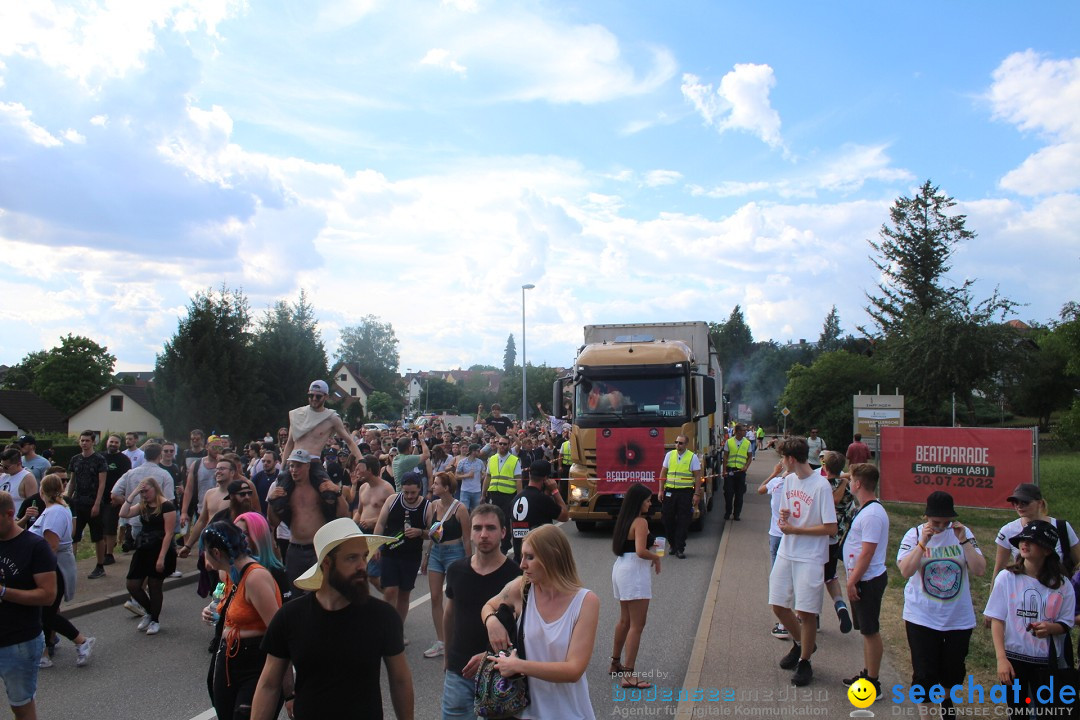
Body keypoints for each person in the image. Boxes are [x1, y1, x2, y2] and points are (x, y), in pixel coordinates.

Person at [250, 518, 412, 720]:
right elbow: (269, 685)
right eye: (352, 558)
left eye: (364, 556)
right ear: (326, 563)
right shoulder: (290, 617)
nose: (362, 566)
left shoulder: (383, 617)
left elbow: (400, 681)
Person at [482, 524, 599, 720]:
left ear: (552, 556)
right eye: (522, 556)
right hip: (525, 713)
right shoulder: (522, 588)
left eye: (530, 557)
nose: (522, 565)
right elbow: (488, 605)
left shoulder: (586, 602)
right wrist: (491, 622)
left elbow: (574, 670)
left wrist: (518, 666)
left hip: (569, 713)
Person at [895, 491, 985, 716]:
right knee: (924, 672)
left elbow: (979, 569)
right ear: (926, 517)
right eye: (936, 522)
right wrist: (922, 544)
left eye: (947, 522)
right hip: (922, 615)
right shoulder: (913, 534)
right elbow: (906, 570)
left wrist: (964, 540)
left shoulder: (962, 534)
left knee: (953, 670)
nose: (941, 527)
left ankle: (946, 702)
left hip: (957, 617)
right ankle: (927, 713)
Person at [985, 520, 1075, 716]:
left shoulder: (1062, 585)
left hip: (1047, 663)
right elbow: (997, 620)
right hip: (1014, 661)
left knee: (1047, 713)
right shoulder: (1006, 578)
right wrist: (1001, 659)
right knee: (1018, 712)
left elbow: (1067, 622)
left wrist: (1051, 628)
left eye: (1032, 541)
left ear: (1047, 550)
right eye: (1022, 539)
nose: (1024, 544)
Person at [441, 504, 521, 719]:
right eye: (477, 528)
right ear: (470, 533)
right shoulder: (456, 570)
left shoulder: (516, 577)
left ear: (504, 533)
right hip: (460, 671)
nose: (483, 534)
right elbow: (450, 615)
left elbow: (524, 632)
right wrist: (448, 657)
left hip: (499, 674)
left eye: (491, 528)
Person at [768, 436, 837, 687]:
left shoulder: (821, 485)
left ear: (791, 459)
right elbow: (786, 517)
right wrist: (784, 519)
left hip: (810, 556)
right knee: (777, 604)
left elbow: (831, 527)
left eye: (783, 458)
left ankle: (805, 661)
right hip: (788, 551)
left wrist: (796, 530)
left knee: (806, 611)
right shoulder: (788, 481)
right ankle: (801, 644)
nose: (781, 463)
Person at [200, 521, 283, 720]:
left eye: (204, 551)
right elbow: (224, 602)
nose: (203, 555)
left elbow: (279, 634)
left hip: (255, 663)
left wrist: (289, 691)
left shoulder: (255, 578)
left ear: (216, 553)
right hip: (227, 661)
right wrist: (211, 610)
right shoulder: (227, 574)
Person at [28, 475, 95, 669]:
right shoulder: (54, 510)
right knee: (46, 612)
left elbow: (51, 546)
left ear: (42, 491)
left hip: (53, 568)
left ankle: (81, 641)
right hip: (53, 565)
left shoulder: (55, 512)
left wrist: (37, 570)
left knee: (46, 613)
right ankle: (44, 652)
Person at [0, 490, 56, 720]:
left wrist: (3, 592)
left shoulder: (35, 547)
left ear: (9, 514)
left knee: (20, 706)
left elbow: (47, 595)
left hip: (18, 641)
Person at [838, 464, 890, 698]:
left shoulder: (872, 514)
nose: (849, 483)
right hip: (861, 578)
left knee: (870, 631)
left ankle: (874, 682)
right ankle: (868, 673)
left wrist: (852, 582)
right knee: (865, 631)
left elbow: (867, 553)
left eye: (852, 480)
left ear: (858, 484)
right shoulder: (866, 509)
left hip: (867, 580)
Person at [266, 449, 348, 593]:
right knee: (295, 593)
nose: (294, 470)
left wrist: (338, 493)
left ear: (308, 466)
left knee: (323, 592)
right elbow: (273, 522)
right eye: (291, 466)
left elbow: (343, 514)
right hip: (295, 549)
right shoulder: (285, 490)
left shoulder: (320, 488)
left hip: (318, 549)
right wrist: (271, 502)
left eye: (298, 466)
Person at [609, 482, 662, 690]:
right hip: (634, 570)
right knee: (637, 625)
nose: (650, 503)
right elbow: (641, 550)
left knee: (624, 620)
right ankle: (629, 674)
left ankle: (615, 662)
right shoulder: (640, 522)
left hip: (621, 567)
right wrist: (656, 558)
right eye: (648, 500)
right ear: (639, 502)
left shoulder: (625, 519)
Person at [420, 472, 472, 659]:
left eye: (436, 484)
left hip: (455, 553)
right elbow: (433, 534)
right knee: (435, 597)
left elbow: (467, 538)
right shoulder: (433, 506)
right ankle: (441, 641)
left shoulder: (461, 509)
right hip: (436, 553)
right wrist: (426, 556)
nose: (433, 486)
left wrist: (469, 563)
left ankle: (458, 637)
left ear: (447, 487)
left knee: (454, 598)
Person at [118, 476, 176, 635]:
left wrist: (162, 557)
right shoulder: (142, 505)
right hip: (143, 548)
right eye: (141, 492)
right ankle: (149, 612)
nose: (144, 495)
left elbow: (169, 533)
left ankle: (155, 620)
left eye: (146, 491)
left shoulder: (166, 505)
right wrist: (133, 494)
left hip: (160, 548)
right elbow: (124, 513)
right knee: (132, 585)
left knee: (155, 585)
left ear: (155, 488)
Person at [992, 483, 1080, 580]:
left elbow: (1078, 562)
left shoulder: (1062, 527)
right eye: (1015, 502)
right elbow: (999, 569)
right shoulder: (1007, 531)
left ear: (1040, 503)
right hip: (1023, 590)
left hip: (1058, 588)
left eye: (1025, 502)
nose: (1019, 506)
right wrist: (993, 594)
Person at [374, 474, 430, 626]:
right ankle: (386, 628)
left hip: (411, 556)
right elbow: (380, 524)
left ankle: (398, 628)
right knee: (390, 591)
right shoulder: (392, 500)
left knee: (404, 595)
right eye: (406, 492)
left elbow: (434, 534)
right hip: (390, 553)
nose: (409, 496)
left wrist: (420, 532)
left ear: (420, 489)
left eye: (413, 492)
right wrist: (375, 546)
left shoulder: (427, 506)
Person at [821, 451, 856, 633]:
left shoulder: (820, 486)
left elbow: (831, 500)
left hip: (818, 538)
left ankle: (813, 617)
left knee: (813, 579)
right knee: (831, 577)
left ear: (825, 467)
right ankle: (841, 607)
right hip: (835, 540)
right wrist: (844, 479)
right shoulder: (848, 486)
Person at [65, 431, 107, 579]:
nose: (84, 443)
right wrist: (67, 500)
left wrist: (96, 503)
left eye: (87, 441)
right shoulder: (75, 459)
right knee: (74, 536)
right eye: (82, 440)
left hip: (94, 502)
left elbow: (102, 484)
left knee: (97, 536)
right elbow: (72, 481)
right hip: (78, 502)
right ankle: (71, 567)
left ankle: (100, 566)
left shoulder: (99, 459)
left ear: (93, 442)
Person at [510, 459, 568, 562]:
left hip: (519, 558)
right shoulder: (542, 500)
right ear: (546, 478)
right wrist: (555, 490)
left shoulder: (516, 499)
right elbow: (564, 516)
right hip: (538, 558)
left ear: (529, 473)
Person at [757, 460, 789, 639]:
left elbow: (760, 489)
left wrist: (773, 473)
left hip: (777, 534)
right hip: (794, 536)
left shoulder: (776, 483)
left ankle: (783, 624)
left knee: (778, 577)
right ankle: (805, 616)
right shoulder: (802, 485)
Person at [658, 435, 702, 559]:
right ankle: (672, 544)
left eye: (681, 443)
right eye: (676, 442)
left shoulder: (692, 457)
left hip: (685, 493)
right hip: (670, 491)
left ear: (686, 444)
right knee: (667, 519)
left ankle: (679, 548)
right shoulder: (669, 455)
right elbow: (663, 472)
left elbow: (697, 477)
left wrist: (697, 493)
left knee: (683, 521)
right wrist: (660, 490)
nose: (678, 445)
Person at [483, 435, 521, 555]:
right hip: (494, 493)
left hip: (508, 494)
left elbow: (518, 479)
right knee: (496, 520)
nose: (502, 446)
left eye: (505, 444)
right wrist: (483, 493)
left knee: (505, 520)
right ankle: (500, 542)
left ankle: (505, 545)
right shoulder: (492, 459)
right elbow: (488, 477)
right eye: (500, 443)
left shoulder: (514, 460)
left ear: (509, 445)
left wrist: (519, 497)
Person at [721, 423, 753, 521]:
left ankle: (736, 514)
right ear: (738, 431)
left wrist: (746, 466)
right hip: (730, 471)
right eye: (743, 430)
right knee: (728, 493)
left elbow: (750, 456)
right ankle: (728, 512)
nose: (745, 432)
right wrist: (724, 470)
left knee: (739, 494)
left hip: (741, 472)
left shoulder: (747, 443)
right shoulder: (729, 442)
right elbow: (725, 456)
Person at [453, 443, 485, 512]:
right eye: (478, 451)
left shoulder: (480, 462)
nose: (479, 452)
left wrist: (481, 477)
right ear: (473, 451)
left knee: (476, 511)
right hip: (465, 490)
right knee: (464, 510)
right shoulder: (462, 462)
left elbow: (483, 473)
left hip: (477, 491)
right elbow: (456, 476)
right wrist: (467, 475)